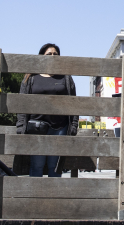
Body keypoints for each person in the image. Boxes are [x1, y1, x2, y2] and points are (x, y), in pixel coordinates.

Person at [16, 43, 78, 177]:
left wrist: (74, 124)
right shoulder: (31, 77)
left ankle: (53, 191)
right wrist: (20, 125)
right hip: (36, 127)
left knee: (54, 167)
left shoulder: (66, 77)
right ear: (41, 56)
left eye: (56, 54)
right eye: (49, 54)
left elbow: (74, 102)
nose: (52, 56)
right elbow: (21, 103)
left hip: (59, 127)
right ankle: (35, 191)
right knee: (37, 165)